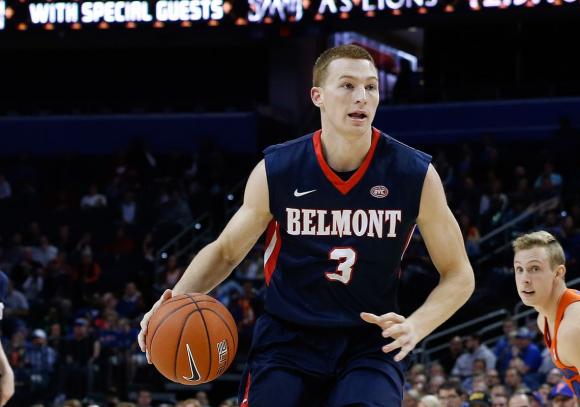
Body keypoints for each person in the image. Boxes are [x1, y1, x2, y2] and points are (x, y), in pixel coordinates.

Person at [138, 44, 475, 406]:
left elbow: (459, 274)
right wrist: (169, 304)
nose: (361, 97)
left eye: (371, 87)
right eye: (347, 85)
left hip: (368, 342)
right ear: (317, 96)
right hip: (287, 341)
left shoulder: (414, 174)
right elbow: (225, 251)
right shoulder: (279, 169)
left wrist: (417, 325)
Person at [512, 230, 580, 406]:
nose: (524, 279)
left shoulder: (575, 329)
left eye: (534, 269)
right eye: (519, 269)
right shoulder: (544, 319)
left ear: (558, 273)